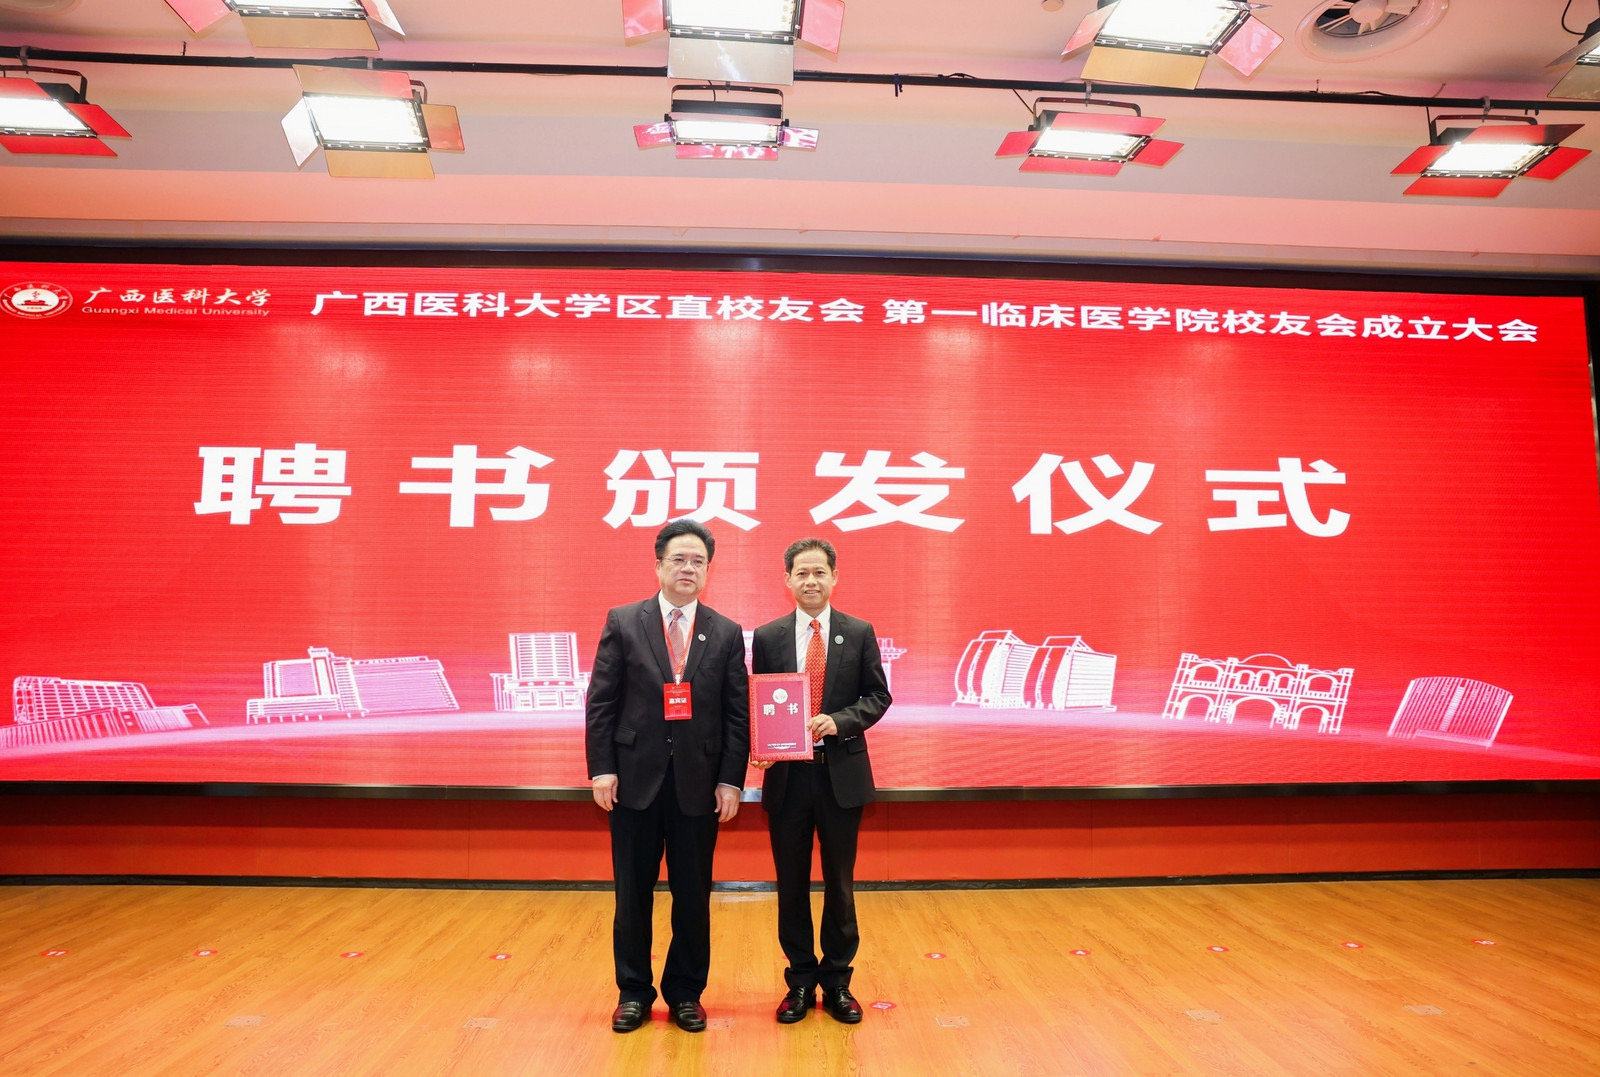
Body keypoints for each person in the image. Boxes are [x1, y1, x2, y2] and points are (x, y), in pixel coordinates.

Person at [585, 520, 750, 1033]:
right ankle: (633, 992)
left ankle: (685, 993)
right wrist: (602, 769)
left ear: (708, 571)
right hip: (633, 782)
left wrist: (731, 780)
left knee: (693, 896)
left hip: (698, 786)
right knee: (631, 895)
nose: (688, 568)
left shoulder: (725, 632)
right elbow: (601, 702)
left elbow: (736, 714)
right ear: (658, 565)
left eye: (698, 561)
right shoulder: (624, 621)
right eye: (679, 559)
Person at [750, 537, 891, 1025]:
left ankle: (837, 982)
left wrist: (840, 720)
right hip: (788, 778)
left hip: (841, 777)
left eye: (819, 572)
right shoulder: (768, 636)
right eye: (801, 573)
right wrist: (761, 745)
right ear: (787, 579)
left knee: (839, 884)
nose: (810, 581)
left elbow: (878, 695)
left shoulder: (858, 631)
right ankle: (799, 981)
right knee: (790, 884)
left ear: (834, 577)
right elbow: (759, 700)